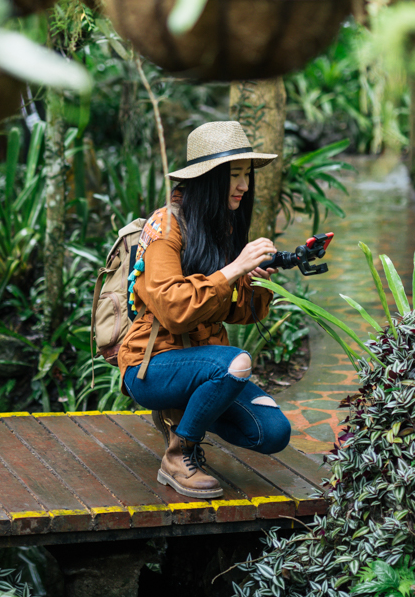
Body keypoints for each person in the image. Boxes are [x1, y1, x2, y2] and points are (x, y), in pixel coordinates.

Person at [118, 121, 292, 500]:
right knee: (235, 363)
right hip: (151, 366)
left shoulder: (220, 228)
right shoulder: (165, 227)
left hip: (202, 365)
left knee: (273, 431)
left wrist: (258, 280)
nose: (244, 186)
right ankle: (179, 455)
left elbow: (240, 312)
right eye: (234, 175)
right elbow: (174, 311)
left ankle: (188, 414)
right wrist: (232, 270)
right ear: (209, 178)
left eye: (247, 175)